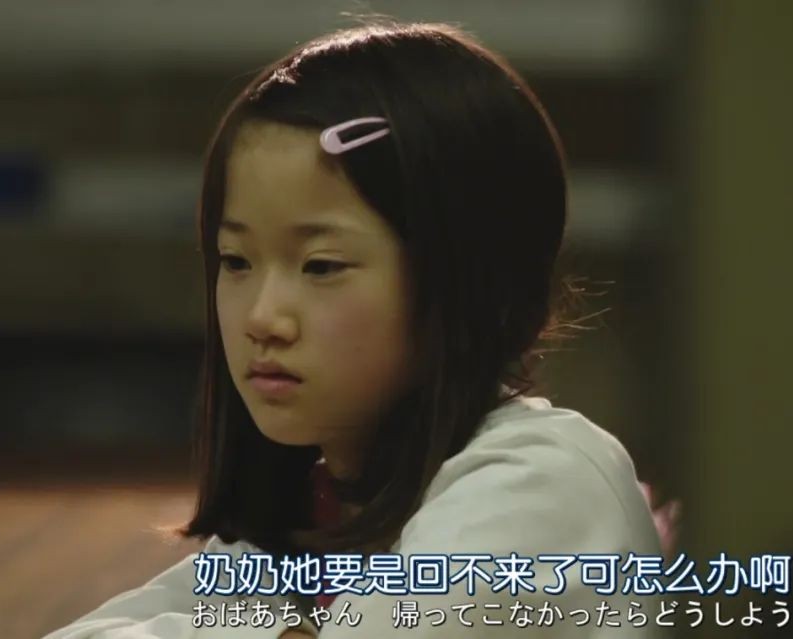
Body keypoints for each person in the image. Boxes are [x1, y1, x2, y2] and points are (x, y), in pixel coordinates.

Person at [44, 21, 673, 638]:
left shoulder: (545, 481)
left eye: (321, 266)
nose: (262, 317)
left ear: (468, 280)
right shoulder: (308, 523)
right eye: (235, 261)